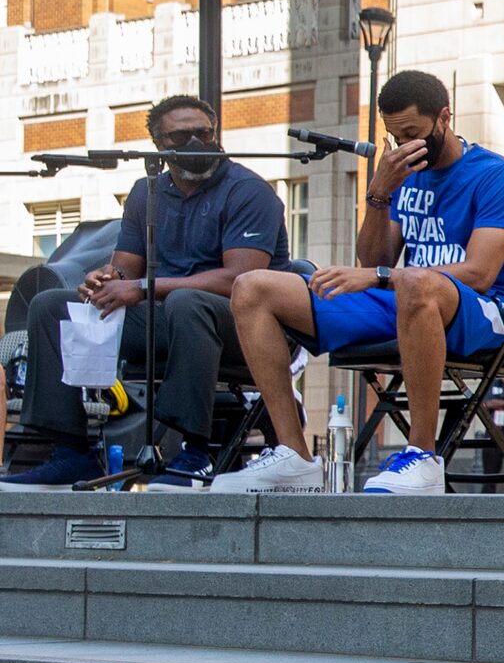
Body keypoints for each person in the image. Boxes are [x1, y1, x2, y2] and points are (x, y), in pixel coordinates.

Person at [211, 69, 504, 495]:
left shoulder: (496, 175)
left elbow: (479, 272)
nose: (406, 146)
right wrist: (379, 193)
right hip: (408, 300)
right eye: (396, 137)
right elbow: (375, 258)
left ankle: (422, 456)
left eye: (414, 133)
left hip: (486, 311)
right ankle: (293, 455)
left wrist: (382, 277)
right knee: (253, 287)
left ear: (444, 118)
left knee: (416, 282)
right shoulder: (405, 175)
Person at [0, 96, 288, 490]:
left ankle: (194, 452)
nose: (197, 142)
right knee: (52, 304)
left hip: (243, 328)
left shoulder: (249, 191)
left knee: (190, 302)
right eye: (182, 135)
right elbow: (126, 268)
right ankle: (71, 453)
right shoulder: (146, 192)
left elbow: (241, 280)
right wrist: (104, 279)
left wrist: (139, 287)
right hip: (166, 320)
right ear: (159, 146)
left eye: (204, 133)